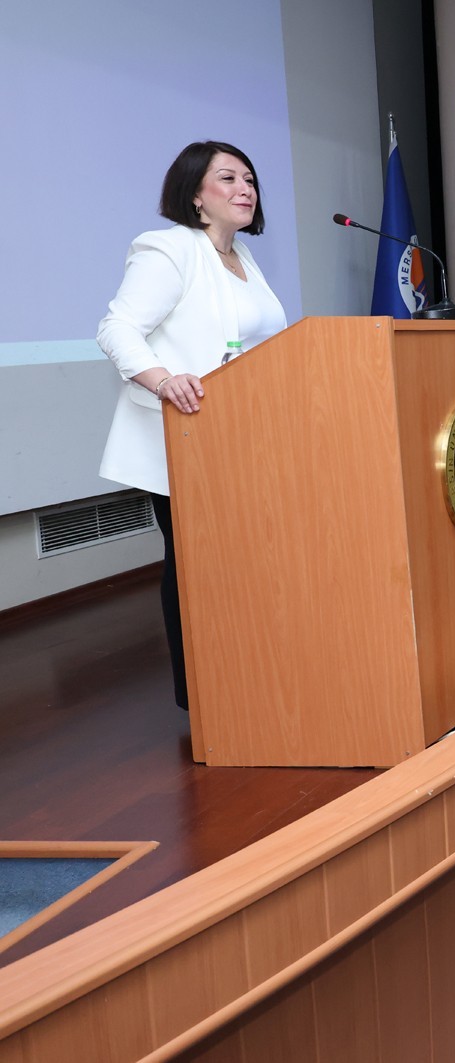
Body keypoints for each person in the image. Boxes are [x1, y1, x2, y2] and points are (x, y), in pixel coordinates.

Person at [97, 141, 289, 711]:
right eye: (228, 178)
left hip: (246, 439)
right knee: (197, 565)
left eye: (250, 179)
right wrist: (162, 379)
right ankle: (203, 697)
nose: (245, 188)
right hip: (186, 438)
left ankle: (251, 675)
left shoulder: (243, 261)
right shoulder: (169, 249)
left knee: (245, 563)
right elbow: (117, 328)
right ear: (195, 195)